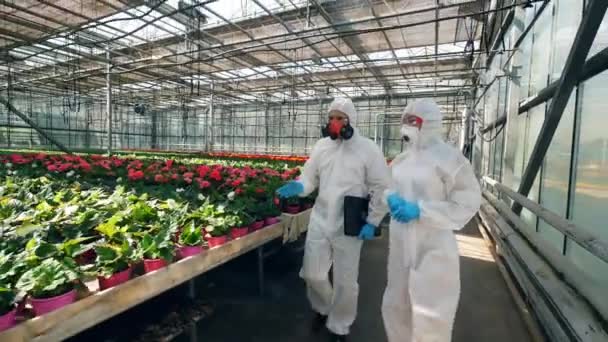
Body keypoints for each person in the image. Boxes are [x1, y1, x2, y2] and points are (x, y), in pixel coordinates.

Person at [277, 97, 390, 342]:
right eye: (331, 118)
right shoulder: (322, 147)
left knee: (345, 281)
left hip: (349, 223)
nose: (334, 123)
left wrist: (373, 220)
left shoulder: (368, 149)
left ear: (351, 121)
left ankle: (340, 326)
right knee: (312, 273)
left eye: (340, 118)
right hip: (320, 217)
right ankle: (324, 308)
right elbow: (309, 178)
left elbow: (381, 186)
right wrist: (298, 186)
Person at [381, 98, 481, 342]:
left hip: (433, 245)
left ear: (430, 123)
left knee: (432, 313)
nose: (406, 126)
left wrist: (421, 210)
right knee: (396, 305)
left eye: (412, 121)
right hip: (400, 244)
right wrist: (390, 198)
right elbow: (386, 185)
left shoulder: (450, 159)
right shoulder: (402, 159)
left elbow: (467, 203)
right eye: (405, 120)